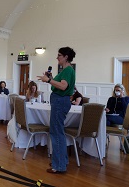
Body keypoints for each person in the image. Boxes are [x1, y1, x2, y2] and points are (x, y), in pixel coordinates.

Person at [38, 46, 76, 174]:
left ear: (66, 57)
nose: (57, 57)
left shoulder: (67, 70)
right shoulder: (66, 70)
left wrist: (48, 80)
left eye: (59, 55)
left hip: (60, 102)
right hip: (60, 101)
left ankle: (59, 165)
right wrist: (51, 79)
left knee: (56, 132)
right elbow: (60, 84)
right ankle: (61, 161)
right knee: (58, 132)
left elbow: (63, 86)